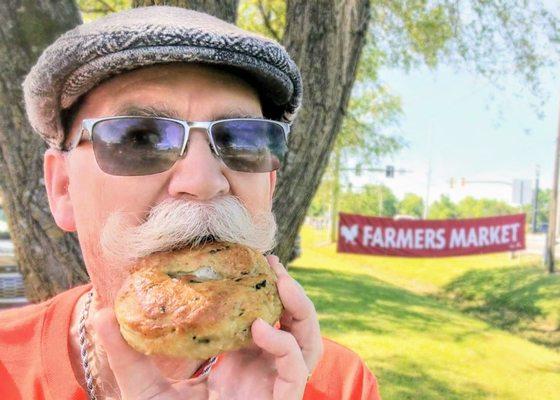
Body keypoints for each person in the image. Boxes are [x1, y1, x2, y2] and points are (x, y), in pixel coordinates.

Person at [0, 6, 380, 400]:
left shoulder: (343, 385)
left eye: (243, 140)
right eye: (139, 138)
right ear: (62, 188)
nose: (203, 181)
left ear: (269, 185)